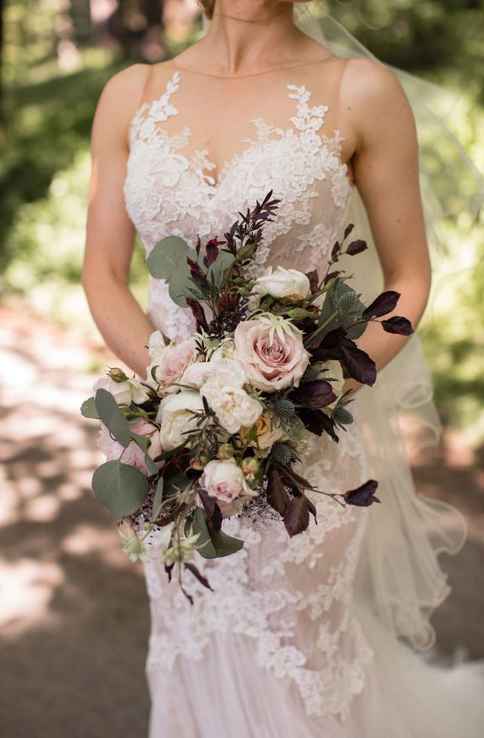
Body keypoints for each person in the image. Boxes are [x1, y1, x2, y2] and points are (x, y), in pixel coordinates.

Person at [82, 1, 484, 736]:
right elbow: (104, 274)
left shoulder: (357, 91)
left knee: (296, 667)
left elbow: (408, 280)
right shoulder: (131, 95)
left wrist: (304, 394)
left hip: (304, 453)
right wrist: (187, 392)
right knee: (190, 648)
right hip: (173, 454)